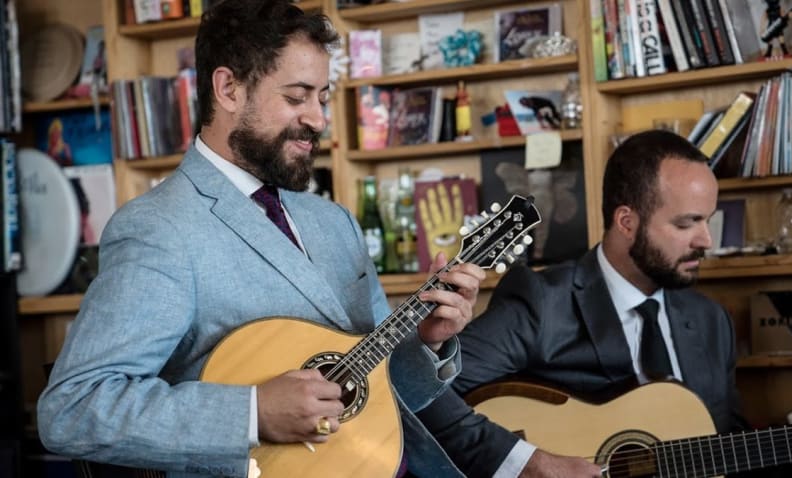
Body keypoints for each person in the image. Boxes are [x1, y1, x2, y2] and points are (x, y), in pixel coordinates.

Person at [36, 1, 484, 477]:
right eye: (297, 97)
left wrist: (426, 342)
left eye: (323, 97)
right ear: (229, 89)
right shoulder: (158, 228)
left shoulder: (335, 223)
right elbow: (71, 409)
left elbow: (374, 397)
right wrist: (253, 412)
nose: (318, 118)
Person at [417, 129, 792, 477]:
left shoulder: (710, 321)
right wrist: (530, 463)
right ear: (627, 221)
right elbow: (425, 392)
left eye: (709, 219)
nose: (707, 241)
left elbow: (731, 451)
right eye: (688, 223)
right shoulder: (543, 303)